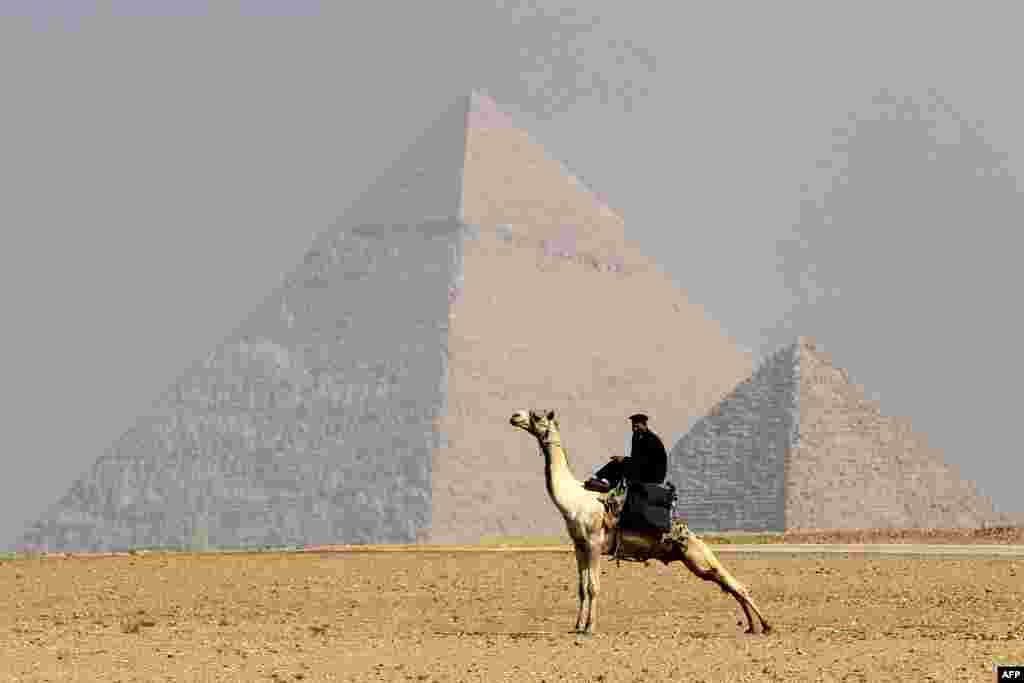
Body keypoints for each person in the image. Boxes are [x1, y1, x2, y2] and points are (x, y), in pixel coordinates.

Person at [585, 413, 667, 492]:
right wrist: (625, 460)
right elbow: (636, 459)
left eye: (637, 426)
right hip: (644, 468)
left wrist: (625, 460)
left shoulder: (651, 440)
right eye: (633, 426)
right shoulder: (637, 437)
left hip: (653, 474)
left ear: (644, 425)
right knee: (617, 462)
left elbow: (646, 462)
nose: (634, 429)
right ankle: (599, 479)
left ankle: (609, 485)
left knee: (623, 464)